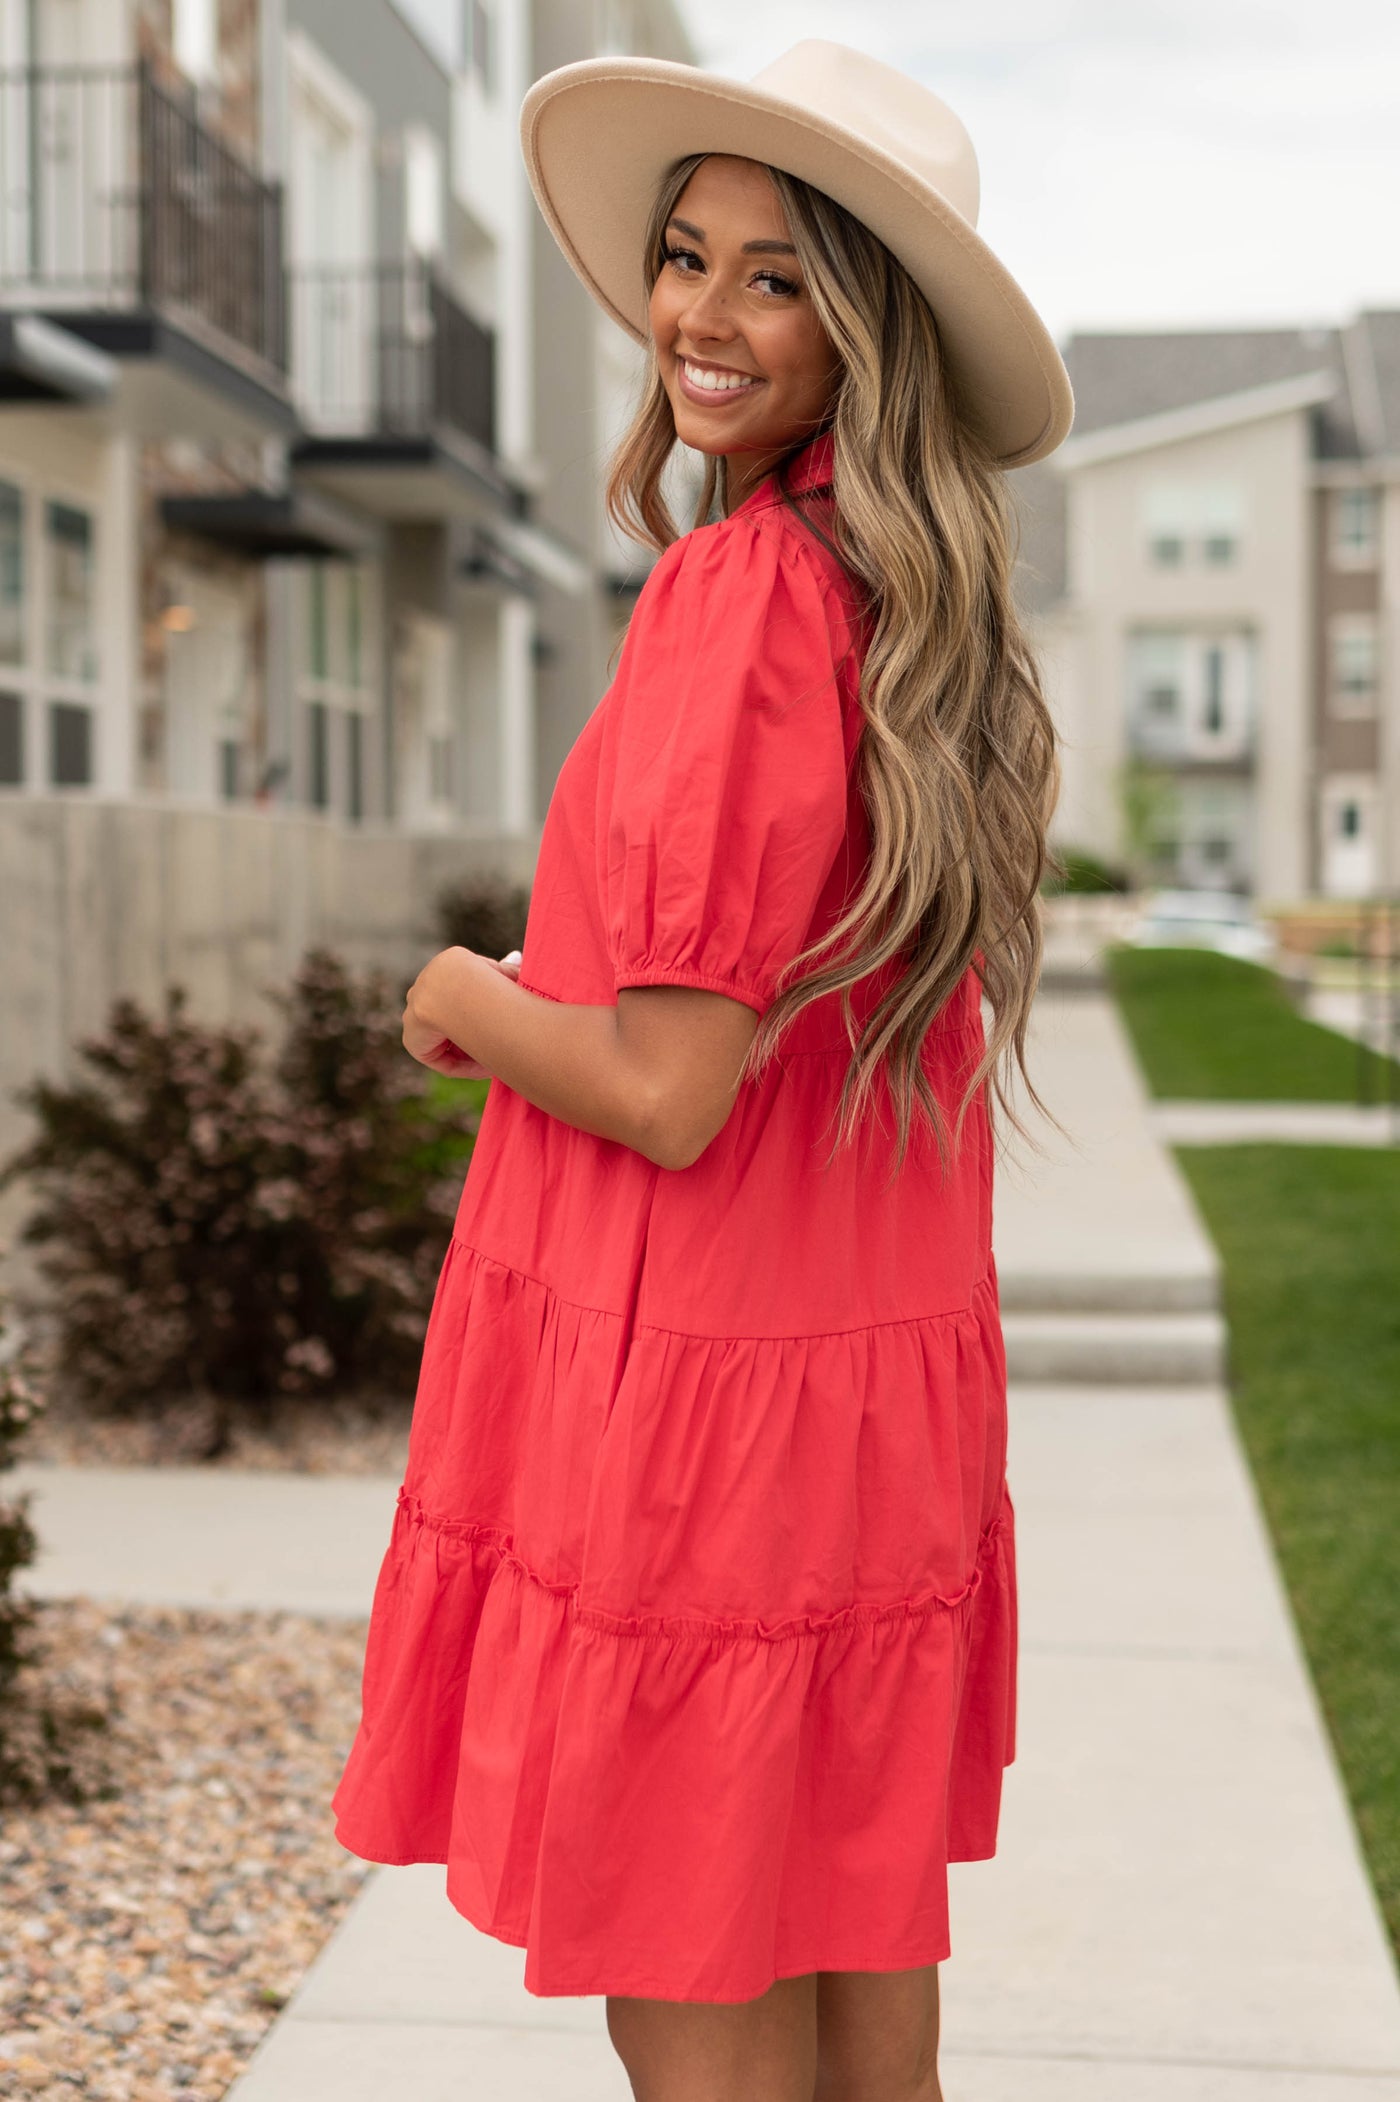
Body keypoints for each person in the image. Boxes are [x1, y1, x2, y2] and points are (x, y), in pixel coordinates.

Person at [331, 38, 1073, 2102]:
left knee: (712, 1982)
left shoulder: (747, 595)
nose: (703, 318)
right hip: (858, 1421)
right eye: (685, 258)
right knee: (864, 2031)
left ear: (867, 330)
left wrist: (462, 993)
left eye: (773, 278)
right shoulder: (908, 610)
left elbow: (668, 1087)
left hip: (715, 1423)